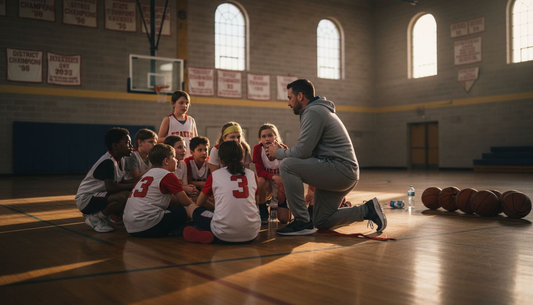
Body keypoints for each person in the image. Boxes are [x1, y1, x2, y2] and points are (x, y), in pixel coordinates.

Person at [265, 79, 386, 235]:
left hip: (339, 170)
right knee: (321, 221)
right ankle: (367, 210)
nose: (289, 103)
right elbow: (309, 153)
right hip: (341, 171)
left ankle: (302, 221)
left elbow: (303, 152)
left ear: (300, 96)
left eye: (290, 98)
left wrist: (278, 153)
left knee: (287, 165)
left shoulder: (313, 112)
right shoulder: (317, 110)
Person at [182, 140, 260, 244]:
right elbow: (257, 201)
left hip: (223, 234)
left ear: (221, 160)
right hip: (251, 233)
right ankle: (208, 233)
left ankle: (206, 232)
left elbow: (200, 202)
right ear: (242, 157)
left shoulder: (215, 175)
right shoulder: (251, 174)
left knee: (190, 207)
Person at [124, 144, 196, 237]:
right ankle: (192, 228)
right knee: (189, 210)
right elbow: (187, 203)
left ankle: (177, 229)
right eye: (173, 157)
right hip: (148, 225)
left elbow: (174, 201)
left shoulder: (146, 174)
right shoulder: (167, 175)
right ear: (166, 161)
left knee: (175, 207)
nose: (176, 160)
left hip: (131, 228)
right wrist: (201, 208)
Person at [75, 127, 136, 233]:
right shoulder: (108, 162)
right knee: (124, 196)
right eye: (127, 142)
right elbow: (111, 187)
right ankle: (95, 218)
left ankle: (104, 217)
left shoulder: (121, 159)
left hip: (98, 195)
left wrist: (138, 184)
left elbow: (121, 182)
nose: (131, 146)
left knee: (131, 192)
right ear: (115, 146)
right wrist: (133, 186)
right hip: (86, 199)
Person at [253, 123, 291, 224]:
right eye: (264, 136)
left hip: (281, 185)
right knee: (259, 180)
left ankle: (277, 205)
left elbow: (289, 171)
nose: (267, 139)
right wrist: (274, 177)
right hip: (268, 185)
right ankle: (262, 208)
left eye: (270, 135)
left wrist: (282, 188)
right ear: (260, 139)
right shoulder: (257, 149)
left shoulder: (283, 149)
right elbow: (260, 171)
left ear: (276, 137)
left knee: (284, 220)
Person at [157, 90, 198, 158]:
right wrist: (172, 139)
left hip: (188, 157)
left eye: (187, 103)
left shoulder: (191, 120)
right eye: (181, 103)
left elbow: (196, 141)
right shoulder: (168, 119)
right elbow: (158, 140)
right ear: (173, 104)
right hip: (173, 158)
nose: (184, 105)